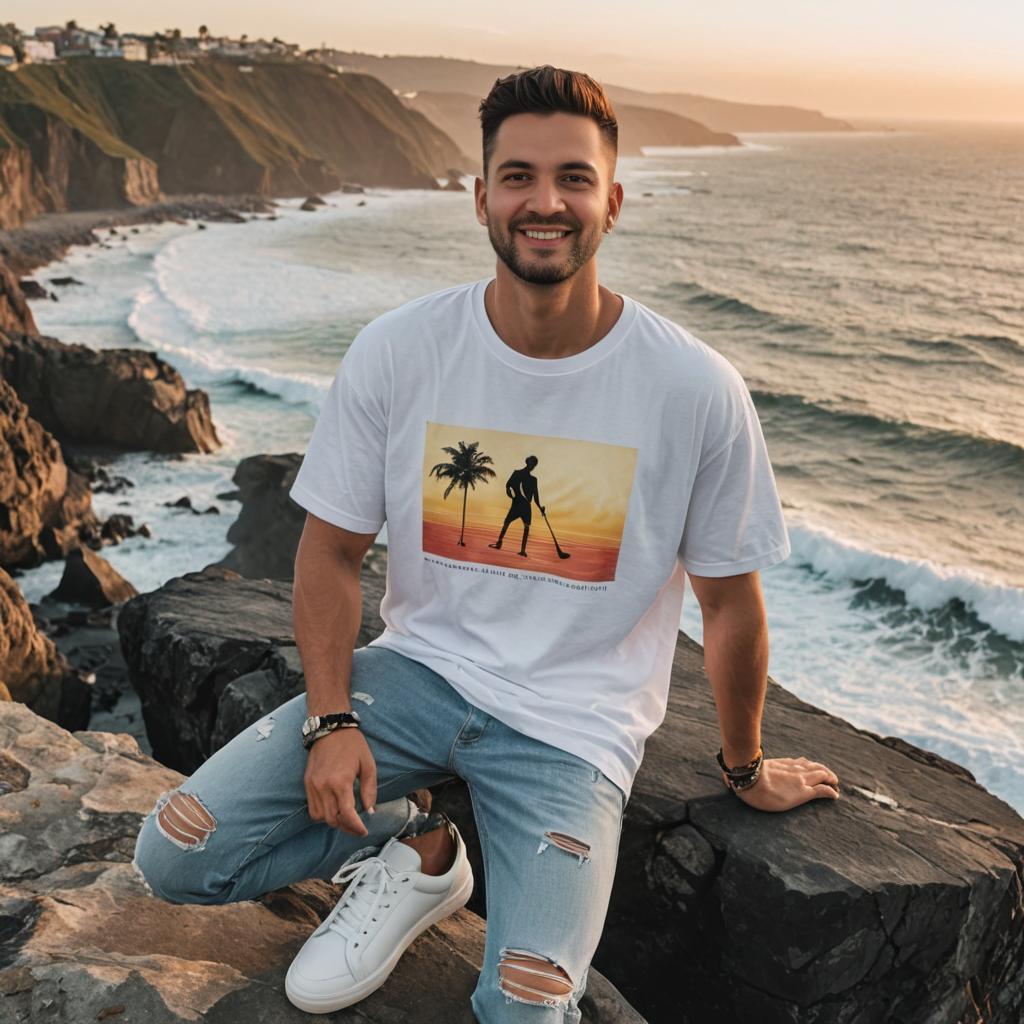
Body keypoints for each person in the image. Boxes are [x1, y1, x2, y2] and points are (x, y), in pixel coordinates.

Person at [131, 65, 841, 1022]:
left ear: (613, 201)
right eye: (517, 176)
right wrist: (333, 722)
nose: (544, 202)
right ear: (480, 197)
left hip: (572, 731)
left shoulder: (694, 389)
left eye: (573, 179)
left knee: (527, 1008)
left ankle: (435, 856)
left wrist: (747, 769)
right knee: (173, 852)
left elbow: (730, 603)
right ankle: (420, 850)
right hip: (417, 677)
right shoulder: (401, 348)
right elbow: (329, 551)